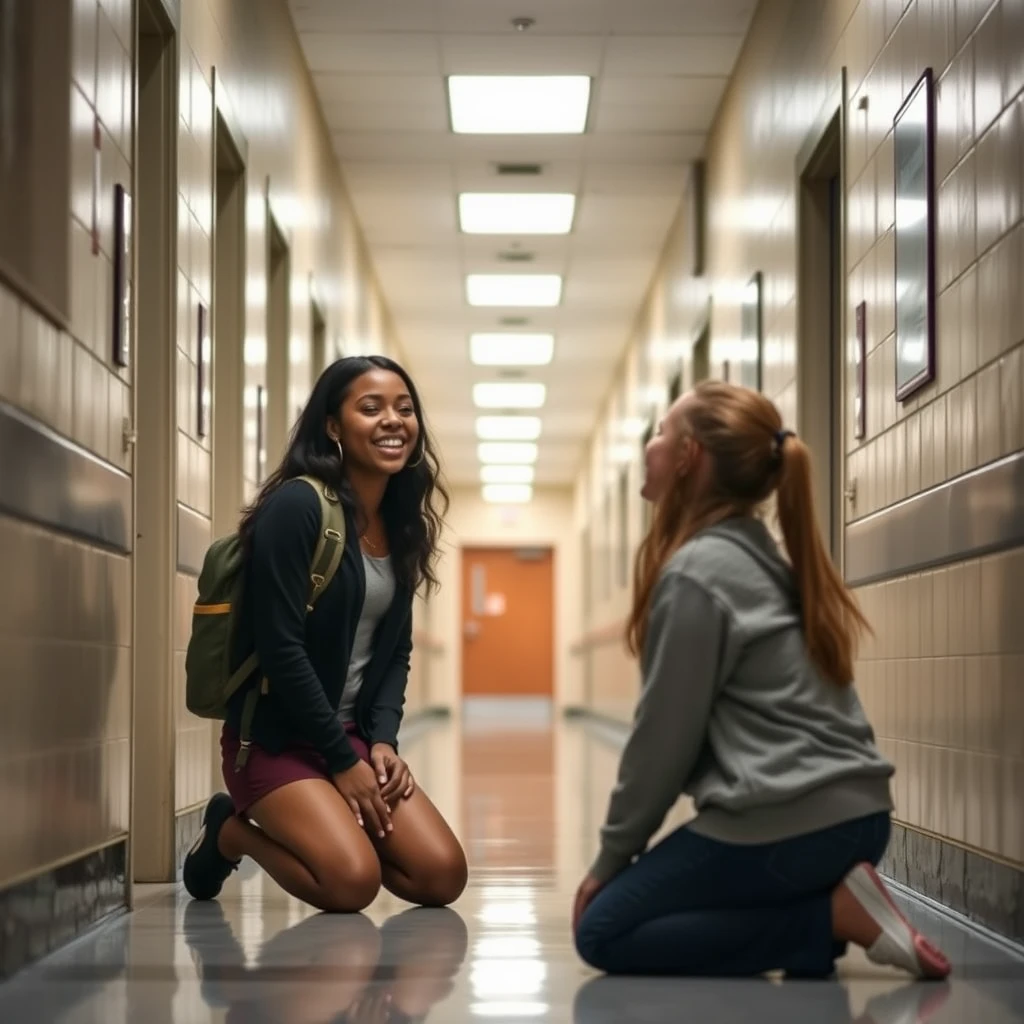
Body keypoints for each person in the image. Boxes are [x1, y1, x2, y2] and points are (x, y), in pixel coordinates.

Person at [572, 381, 951, 981]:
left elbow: (662, 744)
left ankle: (831, 916)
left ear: (689, 456)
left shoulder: (698, 571)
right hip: (860, 818)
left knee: (605, 931)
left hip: (795, 825)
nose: (651, 445)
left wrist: (611, 859)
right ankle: (830, 905)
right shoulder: (761, 556)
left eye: (663, 432)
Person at [183, 355, 468, 913]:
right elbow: (281, 649)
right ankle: (230, 833)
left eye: (404, 409)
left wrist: (382, 743)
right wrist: (341, 762)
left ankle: (342, 828)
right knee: (351, 885)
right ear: (333, 426)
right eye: (371, 408)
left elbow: (396, 653)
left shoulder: (403, 521)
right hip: (274, 740)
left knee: (441, 877)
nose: (393, 420)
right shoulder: (297, 506)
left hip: (353, 740)